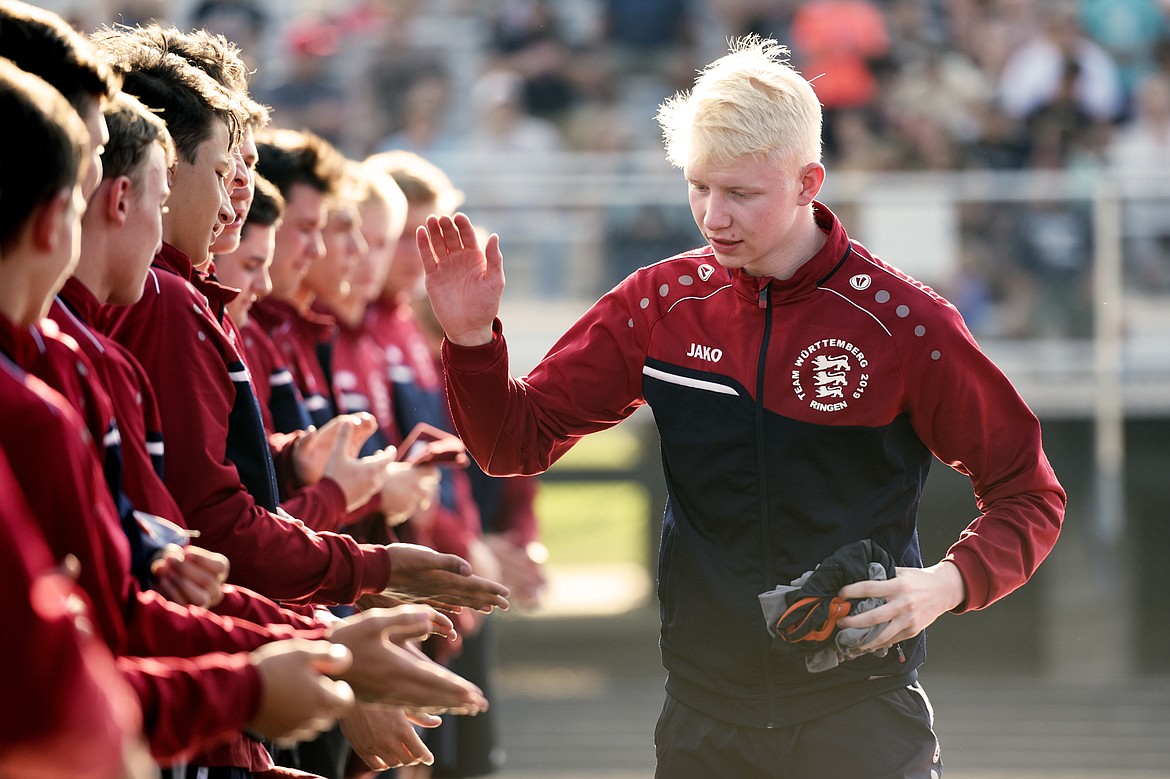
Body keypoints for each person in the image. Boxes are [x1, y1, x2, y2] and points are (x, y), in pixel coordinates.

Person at [417, 36, 1066, 778]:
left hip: (860, 711)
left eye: (741, 194)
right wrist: (471, 343)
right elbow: (512, 445)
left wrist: (946, 584)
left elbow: (1029, 492)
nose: (713, 216)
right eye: (699, 187)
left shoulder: (907, 323)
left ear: (808, 181)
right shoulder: (658, 302)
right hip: (703, 716)